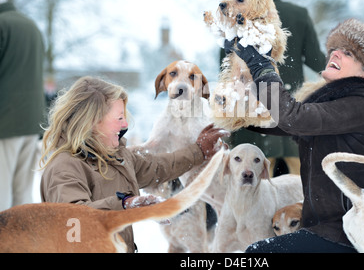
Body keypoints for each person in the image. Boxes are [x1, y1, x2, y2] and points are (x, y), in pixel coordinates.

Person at [223, 18, 364, 253]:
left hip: (351, 232)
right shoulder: (333, 100)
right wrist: (233, 101)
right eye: (334, 49)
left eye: (348, 53)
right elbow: (283, 122)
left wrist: (263, 68)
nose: (335, 54)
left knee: (258, 254)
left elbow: (293, 117)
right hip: (324, 228)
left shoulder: (363, 102)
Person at [39, 76, 228, 253]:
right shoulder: (64, 167)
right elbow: (74, 219)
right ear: (92, 122)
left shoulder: (116, 158)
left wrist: (198, 151)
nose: (125, 124)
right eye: (119, 117)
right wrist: (125, 204)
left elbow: (158, 167)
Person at [223, 0, 326, 177]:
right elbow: (318, 62)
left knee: (256, 189)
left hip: (253, 119)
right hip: (291, 117)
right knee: (301, 187)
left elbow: (226, 69)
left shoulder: (234, 17)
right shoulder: (299, 14)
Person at [0, 0, 46, 211]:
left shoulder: (2, 25)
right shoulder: (31, 26)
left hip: (4, 124)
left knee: (1, 194)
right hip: (31, 122)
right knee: (22, 194)